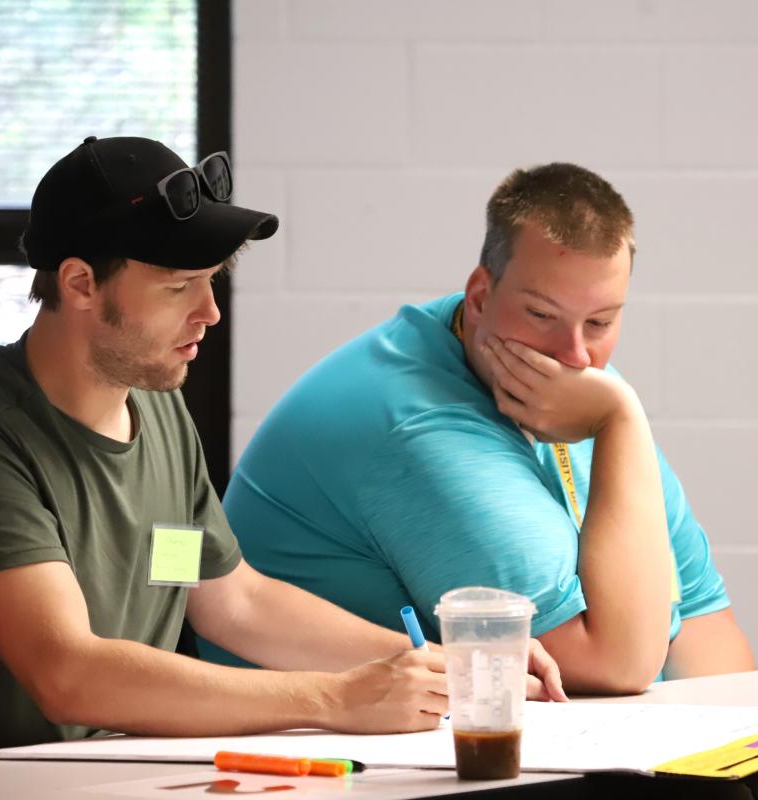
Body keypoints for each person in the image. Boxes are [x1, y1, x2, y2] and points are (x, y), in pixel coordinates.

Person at [0, 137, 563, 752]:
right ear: (81, 283)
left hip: (115, 767)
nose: (210, 311)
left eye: (213, 281)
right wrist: (336, 700)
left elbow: (234, 604)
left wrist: (452, 663)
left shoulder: (156, 404)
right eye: (179, 287)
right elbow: (68, 674)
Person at [210, 162, 755, 695]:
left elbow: (706, 632)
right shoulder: (423, 428)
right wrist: (622, 420)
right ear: (479, 296)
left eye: (600, 322)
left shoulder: (588, 391)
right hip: (317, 763)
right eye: (542, 315)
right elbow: (615, 667)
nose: (575, 354)